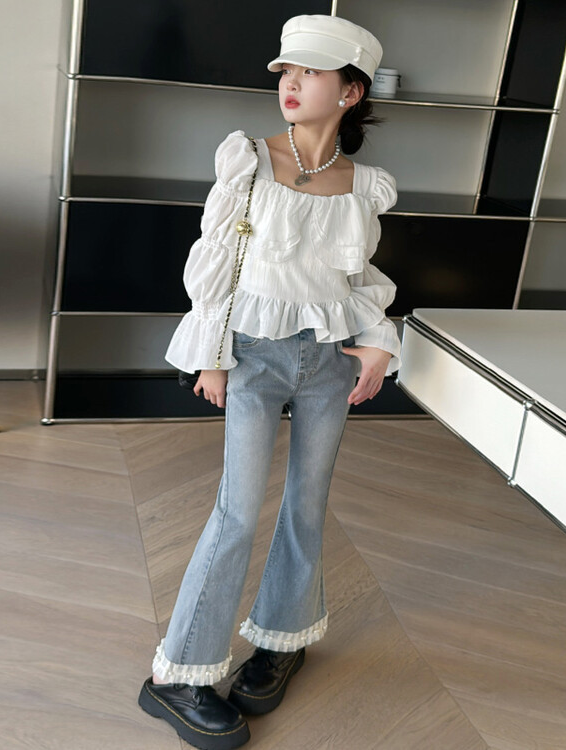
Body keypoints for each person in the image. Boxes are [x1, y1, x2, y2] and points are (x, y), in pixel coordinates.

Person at [138, 14, 401, 750]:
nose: (291, 83)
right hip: (253, 355)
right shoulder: (247, 161)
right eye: (287, 70)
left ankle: (282, 640)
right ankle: (177, 675)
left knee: (307, 506)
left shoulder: (363, 187)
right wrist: (212, 355)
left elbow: (356, 279)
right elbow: (215, 260)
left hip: (328, 363)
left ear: (350, 92)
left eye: (311, 72)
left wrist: (377, 344)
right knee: (237, 510)